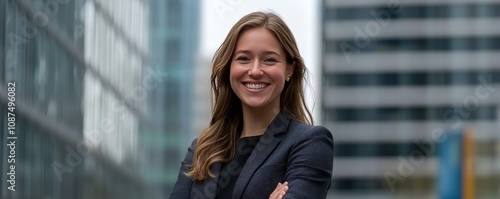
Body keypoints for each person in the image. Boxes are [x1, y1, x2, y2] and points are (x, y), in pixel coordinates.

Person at [169, 11, 334, 199]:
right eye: (244, 58)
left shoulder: (310, 143)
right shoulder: (202, 150)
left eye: (269, 60)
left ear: (289, 69)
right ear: (229, 66)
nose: (255, 71)